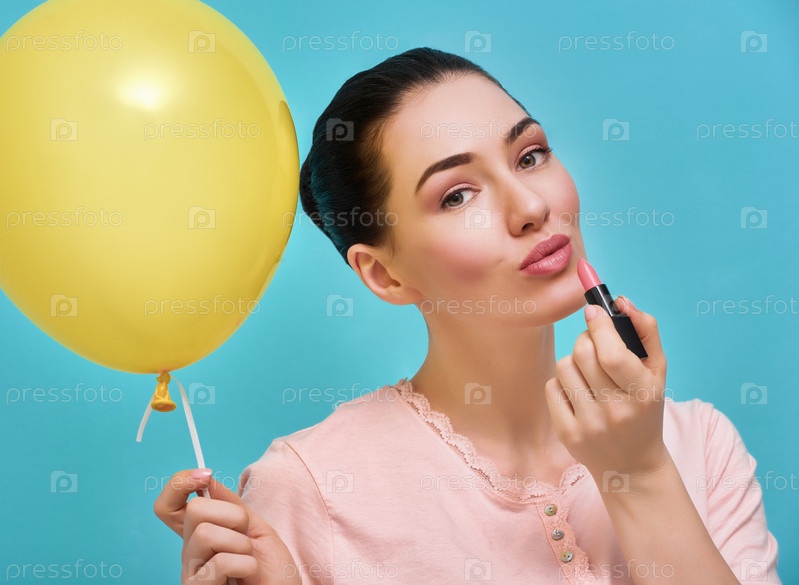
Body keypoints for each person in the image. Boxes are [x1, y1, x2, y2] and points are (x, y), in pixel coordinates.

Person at [154, 47, 782, 584]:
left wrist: (639, 473)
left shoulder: (700, 445)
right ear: (384, 274)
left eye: (530, 156)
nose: (530, 206)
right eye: (456, 195)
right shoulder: (311, 487)